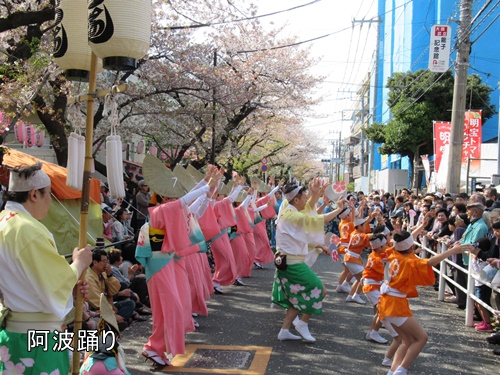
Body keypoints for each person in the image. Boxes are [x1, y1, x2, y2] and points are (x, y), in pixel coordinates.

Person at [0, 162, 92, 374]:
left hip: (12, 336)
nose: (50, 201)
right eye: (49, 194)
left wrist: (69, 290)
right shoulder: (28, 230)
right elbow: (55, 280)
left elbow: (28, 282)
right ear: (34, 194)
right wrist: (79, 262)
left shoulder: (4, 224)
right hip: (36, 340)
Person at [378, 230, 469, 375]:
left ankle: (394, 371)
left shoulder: (393, 254)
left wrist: (422, 226)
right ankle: (401, 370)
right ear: (411, 247)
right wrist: (453, 250)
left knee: (406, 340)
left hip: (386, 302)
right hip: (396, 304)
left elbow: (404, 241)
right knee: (421, 338)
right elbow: (430, 262)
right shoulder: (410, 261)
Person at [272, 179, 345, 343]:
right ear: (296, 199)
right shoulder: (291, 215)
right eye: (304, 197)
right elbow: (316, 219)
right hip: (292, 263)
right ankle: (303, 322)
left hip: (288, 260)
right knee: (320, 290)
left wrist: (314, 193)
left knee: (295, 296)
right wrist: (339, 209)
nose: (306, 200)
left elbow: (309, 212)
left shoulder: (289, 212)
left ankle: (284, 330)